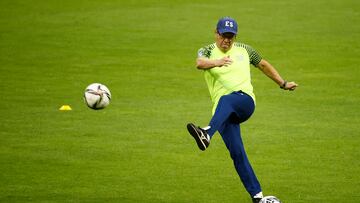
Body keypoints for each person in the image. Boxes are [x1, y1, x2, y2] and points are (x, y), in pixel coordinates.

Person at [186, 17, 298, 203]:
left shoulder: (245, 50)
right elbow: (200, 63)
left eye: (231, 36)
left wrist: (283, 83)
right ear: (216, 33)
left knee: (226, 99)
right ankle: (258, 197)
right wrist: (218, 62)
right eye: (223, 35)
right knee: (237, 153)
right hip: (221, 115)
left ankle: (206, 133)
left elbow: (263, 64)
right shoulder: (207, 50)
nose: (227, 40)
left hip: (244, 102)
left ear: (235, 36)